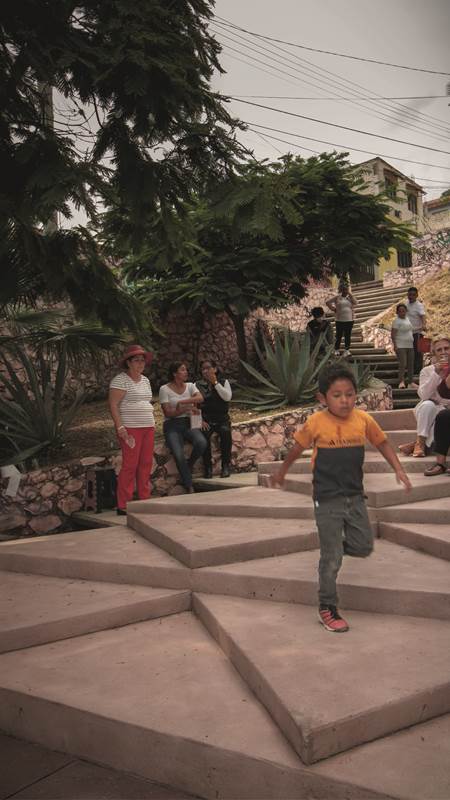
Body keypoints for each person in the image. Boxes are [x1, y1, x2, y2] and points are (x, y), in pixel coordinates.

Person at [270, 362, 411, 633]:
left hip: (355, 496)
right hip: (327, 498)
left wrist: (399, 468)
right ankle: (327, 606)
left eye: (350, 394)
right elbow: (297, 448)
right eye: (337, 395)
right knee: (332, 558)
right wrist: (282, 473)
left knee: (363, 546)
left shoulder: (363, 419)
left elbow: (381, 442)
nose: (345, 400)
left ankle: (332, 547)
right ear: (323, 398)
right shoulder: (316, 422)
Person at [109, 344, 155, 515]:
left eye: (142, 360)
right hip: (130, 428)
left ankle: (144, 499)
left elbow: (146, 401)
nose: (140, 364)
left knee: (146, 463)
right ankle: (123, 504)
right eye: (136, 360)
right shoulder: (120, 380)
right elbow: (113, 405)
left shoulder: (145, 380)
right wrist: (120, 426)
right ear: (128, 363)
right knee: (130, 465)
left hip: (148, 427)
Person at [159, 362, 207, 493]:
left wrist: (182, 403)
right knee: (178, 454)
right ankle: (189, 485)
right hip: (172, 425)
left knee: (201, 442)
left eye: (186, 370)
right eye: (182, 370)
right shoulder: (164, 389)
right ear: (175, 373)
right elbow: (168, 413)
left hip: (188, 422)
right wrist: (185, 409)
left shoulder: (191, 386)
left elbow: (200, 398)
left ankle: (189, 465)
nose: (186, 372)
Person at [410, 337, 450, 466]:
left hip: (444, 410)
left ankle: (416, 445)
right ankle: (420, 442)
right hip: (426, 410)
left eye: (447, 348)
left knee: (442, 417)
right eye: (439, 350)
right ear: (434, 353)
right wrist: (436, 375)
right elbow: (424, 395)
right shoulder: (427, 371)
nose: (443, 352)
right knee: (428, 405)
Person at [196, 360, 233, 478]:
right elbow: (194, 405)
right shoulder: (197, 385)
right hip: (206, 419)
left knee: (226, 433)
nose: (206, 371)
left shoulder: (223, 382)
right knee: (204, 436)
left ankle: (226, 466)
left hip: (222, 419)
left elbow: (227, 397)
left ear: (215, 369)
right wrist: (199, 421)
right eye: (203, 369)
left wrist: (215, 383)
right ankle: (208, 468)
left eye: (208, 368)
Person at [326, 282, 357, 357]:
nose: (345, 291)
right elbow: (327, 302)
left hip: (349, 320)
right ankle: (336, 350)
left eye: (346, 289)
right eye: (343, 289)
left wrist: (350, 294)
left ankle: (347, 350)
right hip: (339, 320)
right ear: (341, 290)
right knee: (338, 335)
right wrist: (333, 308)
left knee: (347, 335)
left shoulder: (350, 298)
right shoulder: (337, 297)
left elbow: (355, 303)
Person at [391, 303, 414, 389]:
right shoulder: (396, 321)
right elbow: (393, 335)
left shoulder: (407, 319)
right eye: (400, 311)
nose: (402, 312)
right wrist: (395, 345)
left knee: (410, 364)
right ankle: (401, 381)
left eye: (403, 311)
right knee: (403, 364)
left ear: (406, 311)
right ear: (397, 312)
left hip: (410, 345)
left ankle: (410, 382)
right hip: (400, 346)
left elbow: (410, 331)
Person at [405, 286, 426, 379]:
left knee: (417, 352)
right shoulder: (406, 304)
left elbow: (423, 316)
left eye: (413, 295)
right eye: (409, 295)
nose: (411, 296)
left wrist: (424, 325)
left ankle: (417, 371)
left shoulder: (419, 305)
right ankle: (410, 370)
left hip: (417, 332)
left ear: (416, 295)